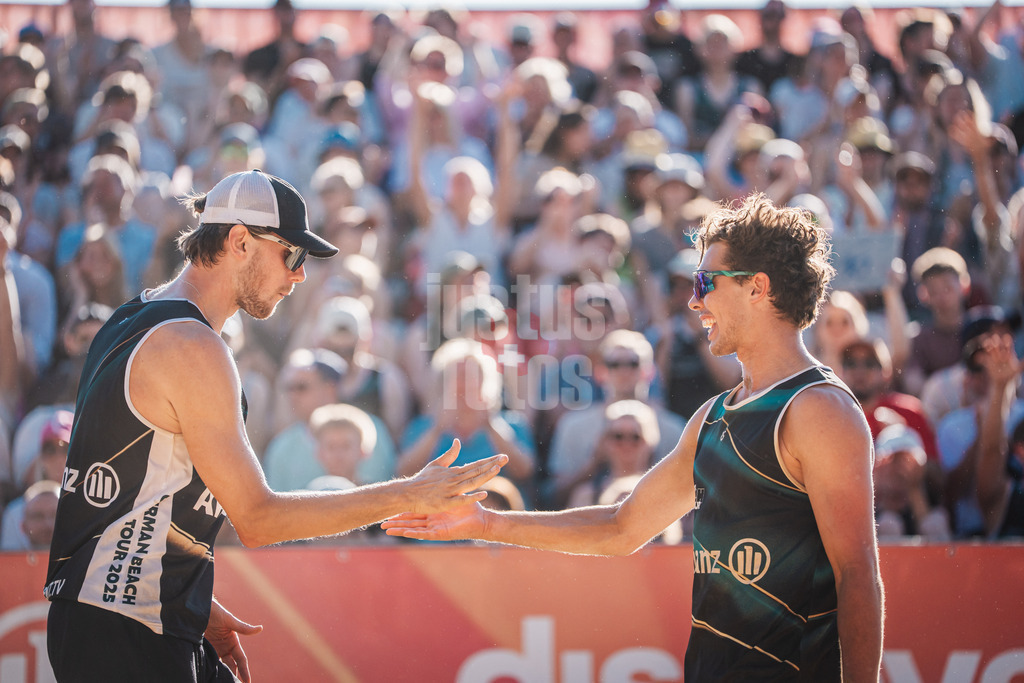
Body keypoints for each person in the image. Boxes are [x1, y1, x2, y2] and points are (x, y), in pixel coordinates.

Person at [385, 193, 884, 681]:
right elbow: (623, 528)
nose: (694, 299)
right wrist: (487, 523)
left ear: (757, 287)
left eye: (707, 281)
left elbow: (857, 575)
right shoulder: (714, 415)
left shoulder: (818, 408)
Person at [43, 169, 508, 682]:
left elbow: (126, 489)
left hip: (123, 618)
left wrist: (189, 596)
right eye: (292, 255)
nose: (300, 275)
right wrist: (410, 495)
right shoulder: (191, 346)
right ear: (240, 240)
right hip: (125, 632)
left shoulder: (132, 316)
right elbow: (259, 518)